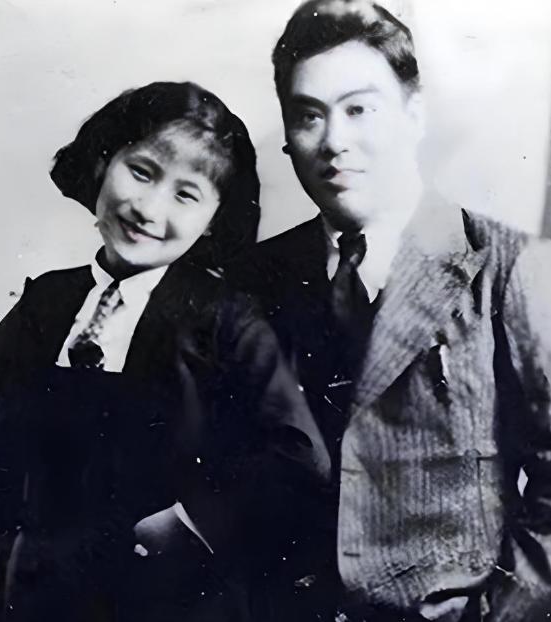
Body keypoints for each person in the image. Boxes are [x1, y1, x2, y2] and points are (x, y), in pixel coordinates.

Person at [0, 81, 330, 622]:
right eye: (142, 172)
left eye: (186, 195)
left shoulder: (227, 320)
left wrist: (188, 525)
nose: (148, 208)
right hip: (14, 597)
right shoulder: (46, 302)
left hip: (159, 600)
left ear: (214, 219)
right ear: (103, 164)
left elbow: (298, 456)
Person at [227, 1, 551, 621]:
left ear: (414, 114)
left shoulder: (506, 264)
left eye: (359, 109)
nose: (334, 141)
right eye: (308, 116)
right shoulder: (252, 280)